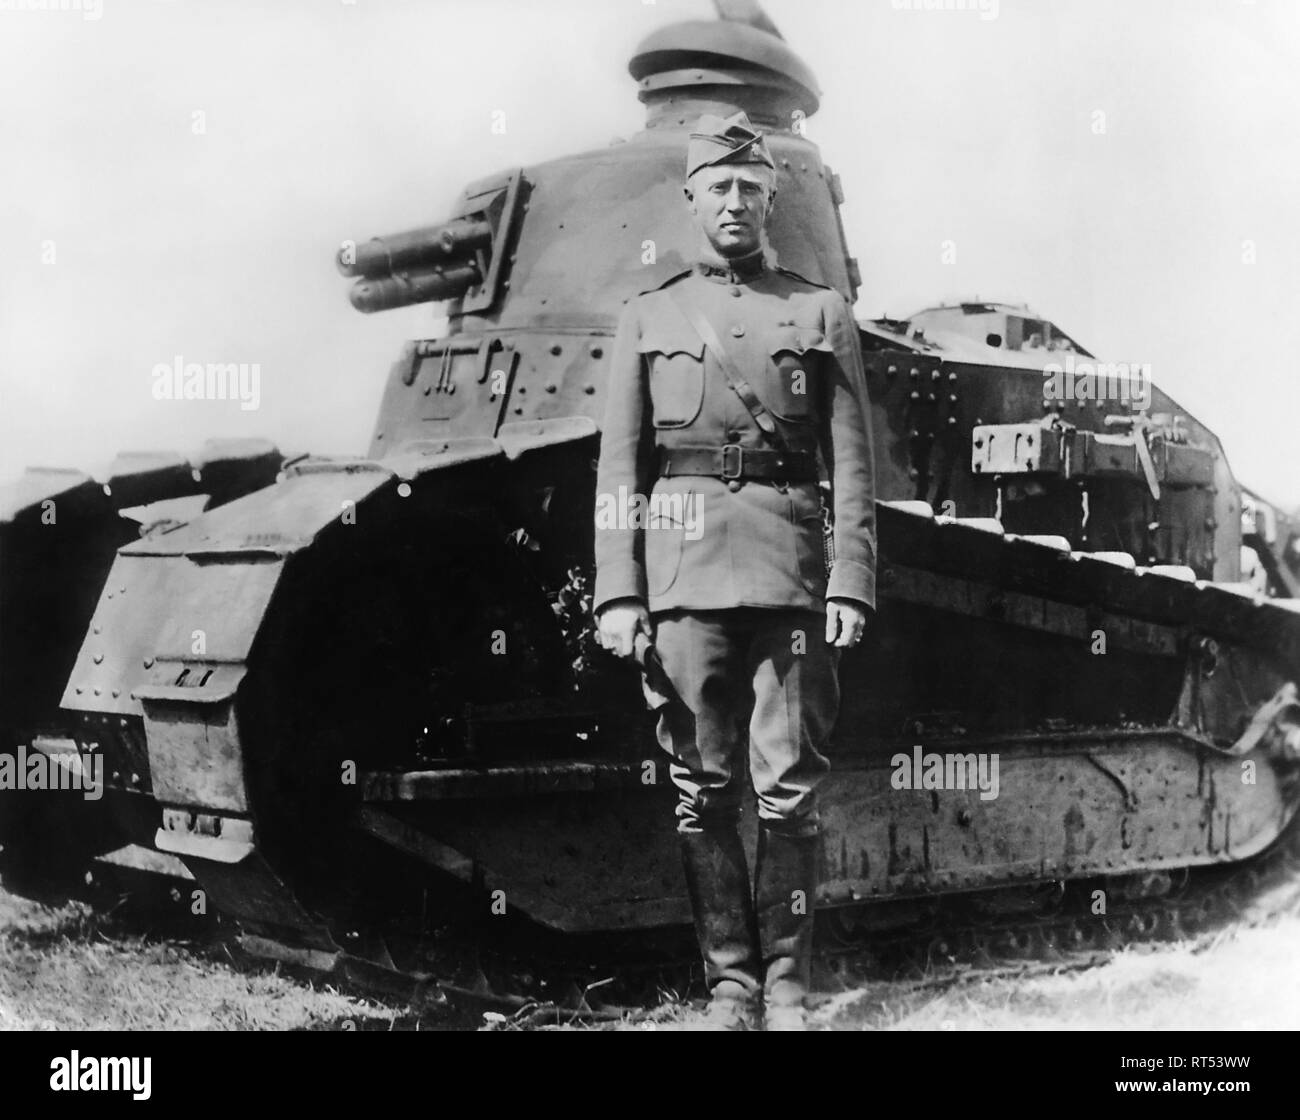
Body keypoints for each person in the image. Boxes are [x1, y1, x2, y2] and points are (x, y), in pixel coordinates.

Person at [592, 111, 876, 1030]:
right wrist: (620, 592)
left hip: (791, 578)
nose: (735, 203)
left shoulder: (818, 310)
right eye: (718, 187)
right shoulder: (649, 316)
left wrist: (851, 580)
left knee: (789, 796)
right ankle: (730, 987)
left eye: (750, 190)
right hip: (683, 584)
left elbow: (854, 463)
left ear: (771, 201)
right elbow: (620, 471)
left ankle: (788, 988)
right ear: (692, 198)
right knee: (701, 795)